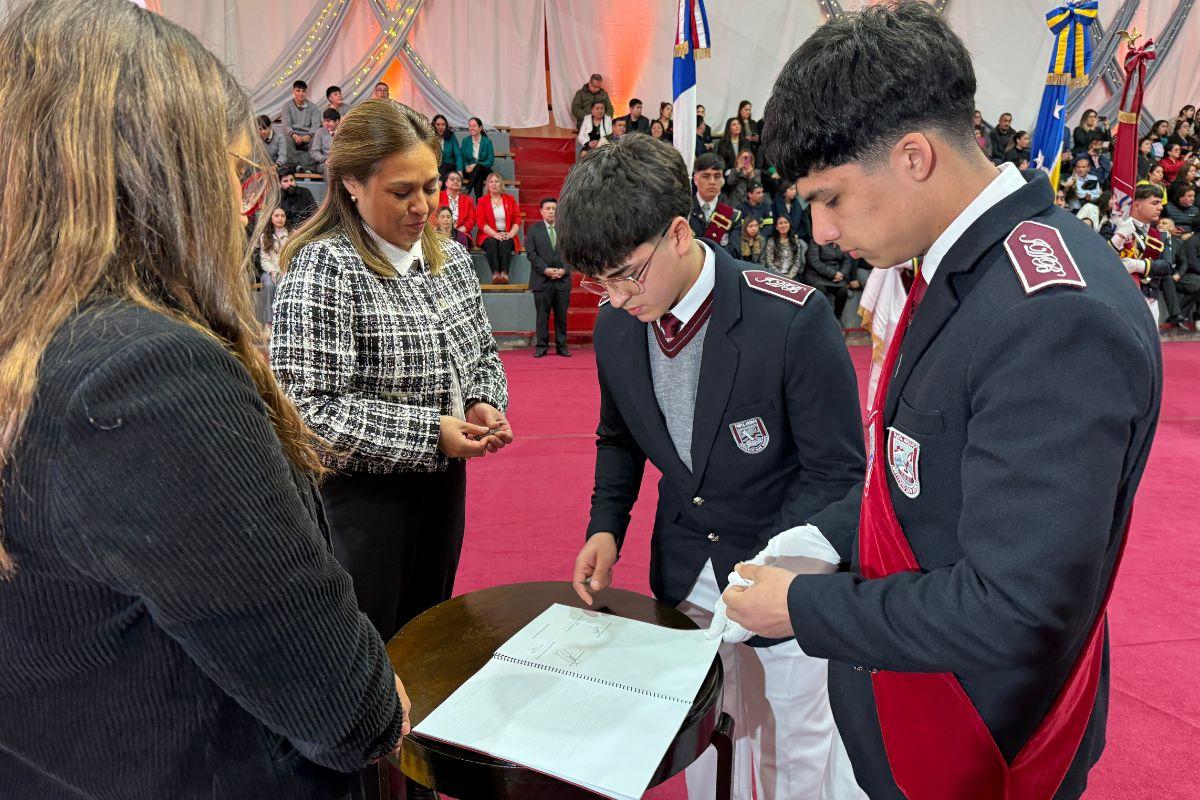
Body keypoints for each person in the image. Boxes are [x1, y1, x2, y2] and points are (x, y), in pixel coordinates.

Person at [721, 5, 1162, 800]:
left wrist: (807, 607)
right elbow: (921, 472)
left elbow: (1017, 610)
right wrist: (821, 537)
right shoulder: (965, 268)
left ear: (914, 156)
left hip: (977, 737)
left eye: (829, 198)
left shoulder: (1050, 314)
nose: (819, 232)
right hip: (908, 703)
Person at [0, 2, 412, 798]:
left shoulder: (38, 344)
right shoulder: (148, 376)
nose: (244, 203)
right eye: (235, 172)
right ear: (167, 178)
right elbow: (349, 709)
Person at [557, 132, 866, 800]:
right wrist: (606, 524)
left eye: (626, 273)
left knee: (792, 745)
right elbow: (619, 437)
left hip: (783, 575)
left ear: (677, 233)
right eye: (598, 281)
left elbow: (839, 475)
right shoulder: (618, 326)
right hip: (685, 566)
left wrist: (775, 568)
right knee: (700, 738)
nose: (614, 296)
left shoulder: (790, 319)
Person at [271, 99, 510, 800]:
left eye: (431, 187)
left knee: (427, 646)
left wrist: (482, 401)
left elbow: (484, 357)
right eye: (401, 192)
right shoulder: (322, 269)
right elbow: (309, 415)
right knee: (363, 666)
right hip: (358, 507)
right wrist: (429, 432)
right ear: (349, 184)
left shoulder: (450, 259)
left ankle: (413, 774)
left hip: (441, 489)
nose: (422, 206)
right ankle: (362, 783)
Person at [1112, 185, 1176, 323]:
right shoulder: (1114, 227)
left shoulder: (1162, 235)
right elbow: (1102, 258)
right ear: (1137, 205)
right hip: (1119, 296)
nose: (1160, 208)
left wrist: (1138, 265)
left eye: (1160, 203)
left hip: (1149, 297)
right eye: (1155, 203)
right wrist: (1118, 237)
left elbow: (1167, 266)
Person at [525, 197, 572, 357]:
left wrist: (564, 270)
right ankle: (541, 346)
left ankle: (562, 346)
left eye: (554, 208)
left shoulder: (566, 229)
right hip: (541, 280)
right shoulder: (534, 230)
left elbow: (572, 253)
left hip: (562, 280)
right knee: (542, 316)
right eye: (548, 208)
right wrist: (545, 270)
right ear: (541, 211)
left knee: (561, 316)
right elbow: (531, 254)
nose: (551, 211)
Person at [689, 152, 742, 257]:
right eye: (706, 176)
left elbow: (735, 255)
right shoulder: (685, 212)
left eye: (717, 176)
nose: (712, 182)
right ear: (695, 179)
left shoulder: (733, 216)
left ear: (722, 180)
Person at [475, 172, 522, 284]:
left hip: (507, 232)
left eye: (496, 181)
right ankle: (495, 273)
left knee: (505, 242)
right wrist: (495, 234)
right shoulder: (482, 201)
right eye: (491, 182)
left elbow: (517, 219)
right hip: (488, 234)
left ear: (501, 184)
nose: (494, 184)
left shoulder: (510, 199)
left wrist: (510, 234)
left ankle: (504, 273)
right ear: (488, 185)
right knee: (491, 242)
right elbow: (481, 222)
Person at [257, 206, 291, 327]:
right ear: (271, 218)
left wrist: (285, 270)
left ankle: (284, 322)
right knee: (269, 285)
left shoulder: (291, 235)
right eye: (276, 216)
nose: (280, 218)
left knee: (285, 284)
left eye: (282, 216)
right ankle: (268, 323)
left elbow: (292, 256)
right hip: (269, 270)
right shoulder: (264, 236)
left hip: (286, 270)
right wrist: (272, 271)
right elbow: (265, 259)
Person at [803, 239, 853, 320]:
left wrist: (842, 274)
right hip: (818, 275)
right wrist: (833, 274)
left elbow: (847, 260)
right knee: (820, 292)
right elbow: (814, 261)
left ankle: (837, 318)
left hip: (837, 277)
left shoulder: (842, 241)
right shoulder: (816, 241)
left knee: (843, 291)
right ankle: (820, 319)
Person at [282, 79, 321, 171]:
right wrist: (294, 136)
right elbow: (286, 124)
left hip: (308, 135)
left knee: (317, 137)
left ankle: (309, 167)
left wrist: (308, 135)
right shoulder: (287, 106)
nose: (301, 93)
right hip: (293, 134)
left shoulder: (313, 107)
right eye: (298, 91)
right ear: (293, 91)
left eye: (303, 91)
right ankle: (294, 164)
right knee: (285, 137)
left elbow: (316, 124)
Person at [438, 169, 476, 243]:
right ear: (446, 183)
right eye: (452, 179)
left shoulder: (468, 200)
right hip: (440, 231)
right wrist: (443, 230)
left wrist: (458, 230)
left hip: (461, 232)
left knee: (460, 238)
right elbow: (433, 217)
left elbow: (471, 220)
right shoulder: (438, 197)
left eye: (458, 180)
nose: (455, 181)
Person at [762, 214, 806, 278]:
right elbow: (769, 262)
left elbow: (797, 261)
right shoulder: (771, 241)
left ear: (789, 225)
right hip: (774, 275)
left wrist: (790, 276)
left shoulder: (795, 240)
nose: (783, 225)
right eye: (780, 223)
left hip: (792, 276)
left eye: (786, 223)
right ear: (776, 227)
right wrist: (781, 276)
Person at [461, 116, 494, 198]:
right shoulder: (465, 141)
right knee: (478, 175)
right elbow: (463, 157)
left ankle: (467, 189)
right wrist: (466, 167)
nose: (471, 128)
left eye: (474, 126)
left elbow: (490, 161)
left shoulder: (487, 142)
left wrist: (475, 165)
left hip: (484, 170)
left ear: (480, 128)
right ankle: (479, 201)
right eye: (470, 126)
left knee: (478, 167)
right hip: (470, 171)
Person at [432, 113, 463, 183]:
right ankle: (440, 188)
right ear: (434, 126)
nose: (441, 127)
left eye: (443, 124)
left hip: (450, 165)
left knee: (444, 165)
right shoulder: (430, 138)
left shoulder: (451, 137)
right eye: (438, 124)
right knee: (444, 175)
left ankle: (438, 186)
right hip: (436, 168)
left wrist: (460, 170)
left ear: (446, 126)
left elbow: (458, 155)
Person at [309, 107, 339, 174]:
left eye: (328, 121)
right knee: (330, 169)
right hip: (325, 163)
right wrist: (324, 159)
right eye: (324, 121)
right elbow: (314, 152)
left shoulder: (344, 133)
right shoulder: (320, 132)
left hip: (341, 163)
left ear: (337, 121)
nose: (325, 124)